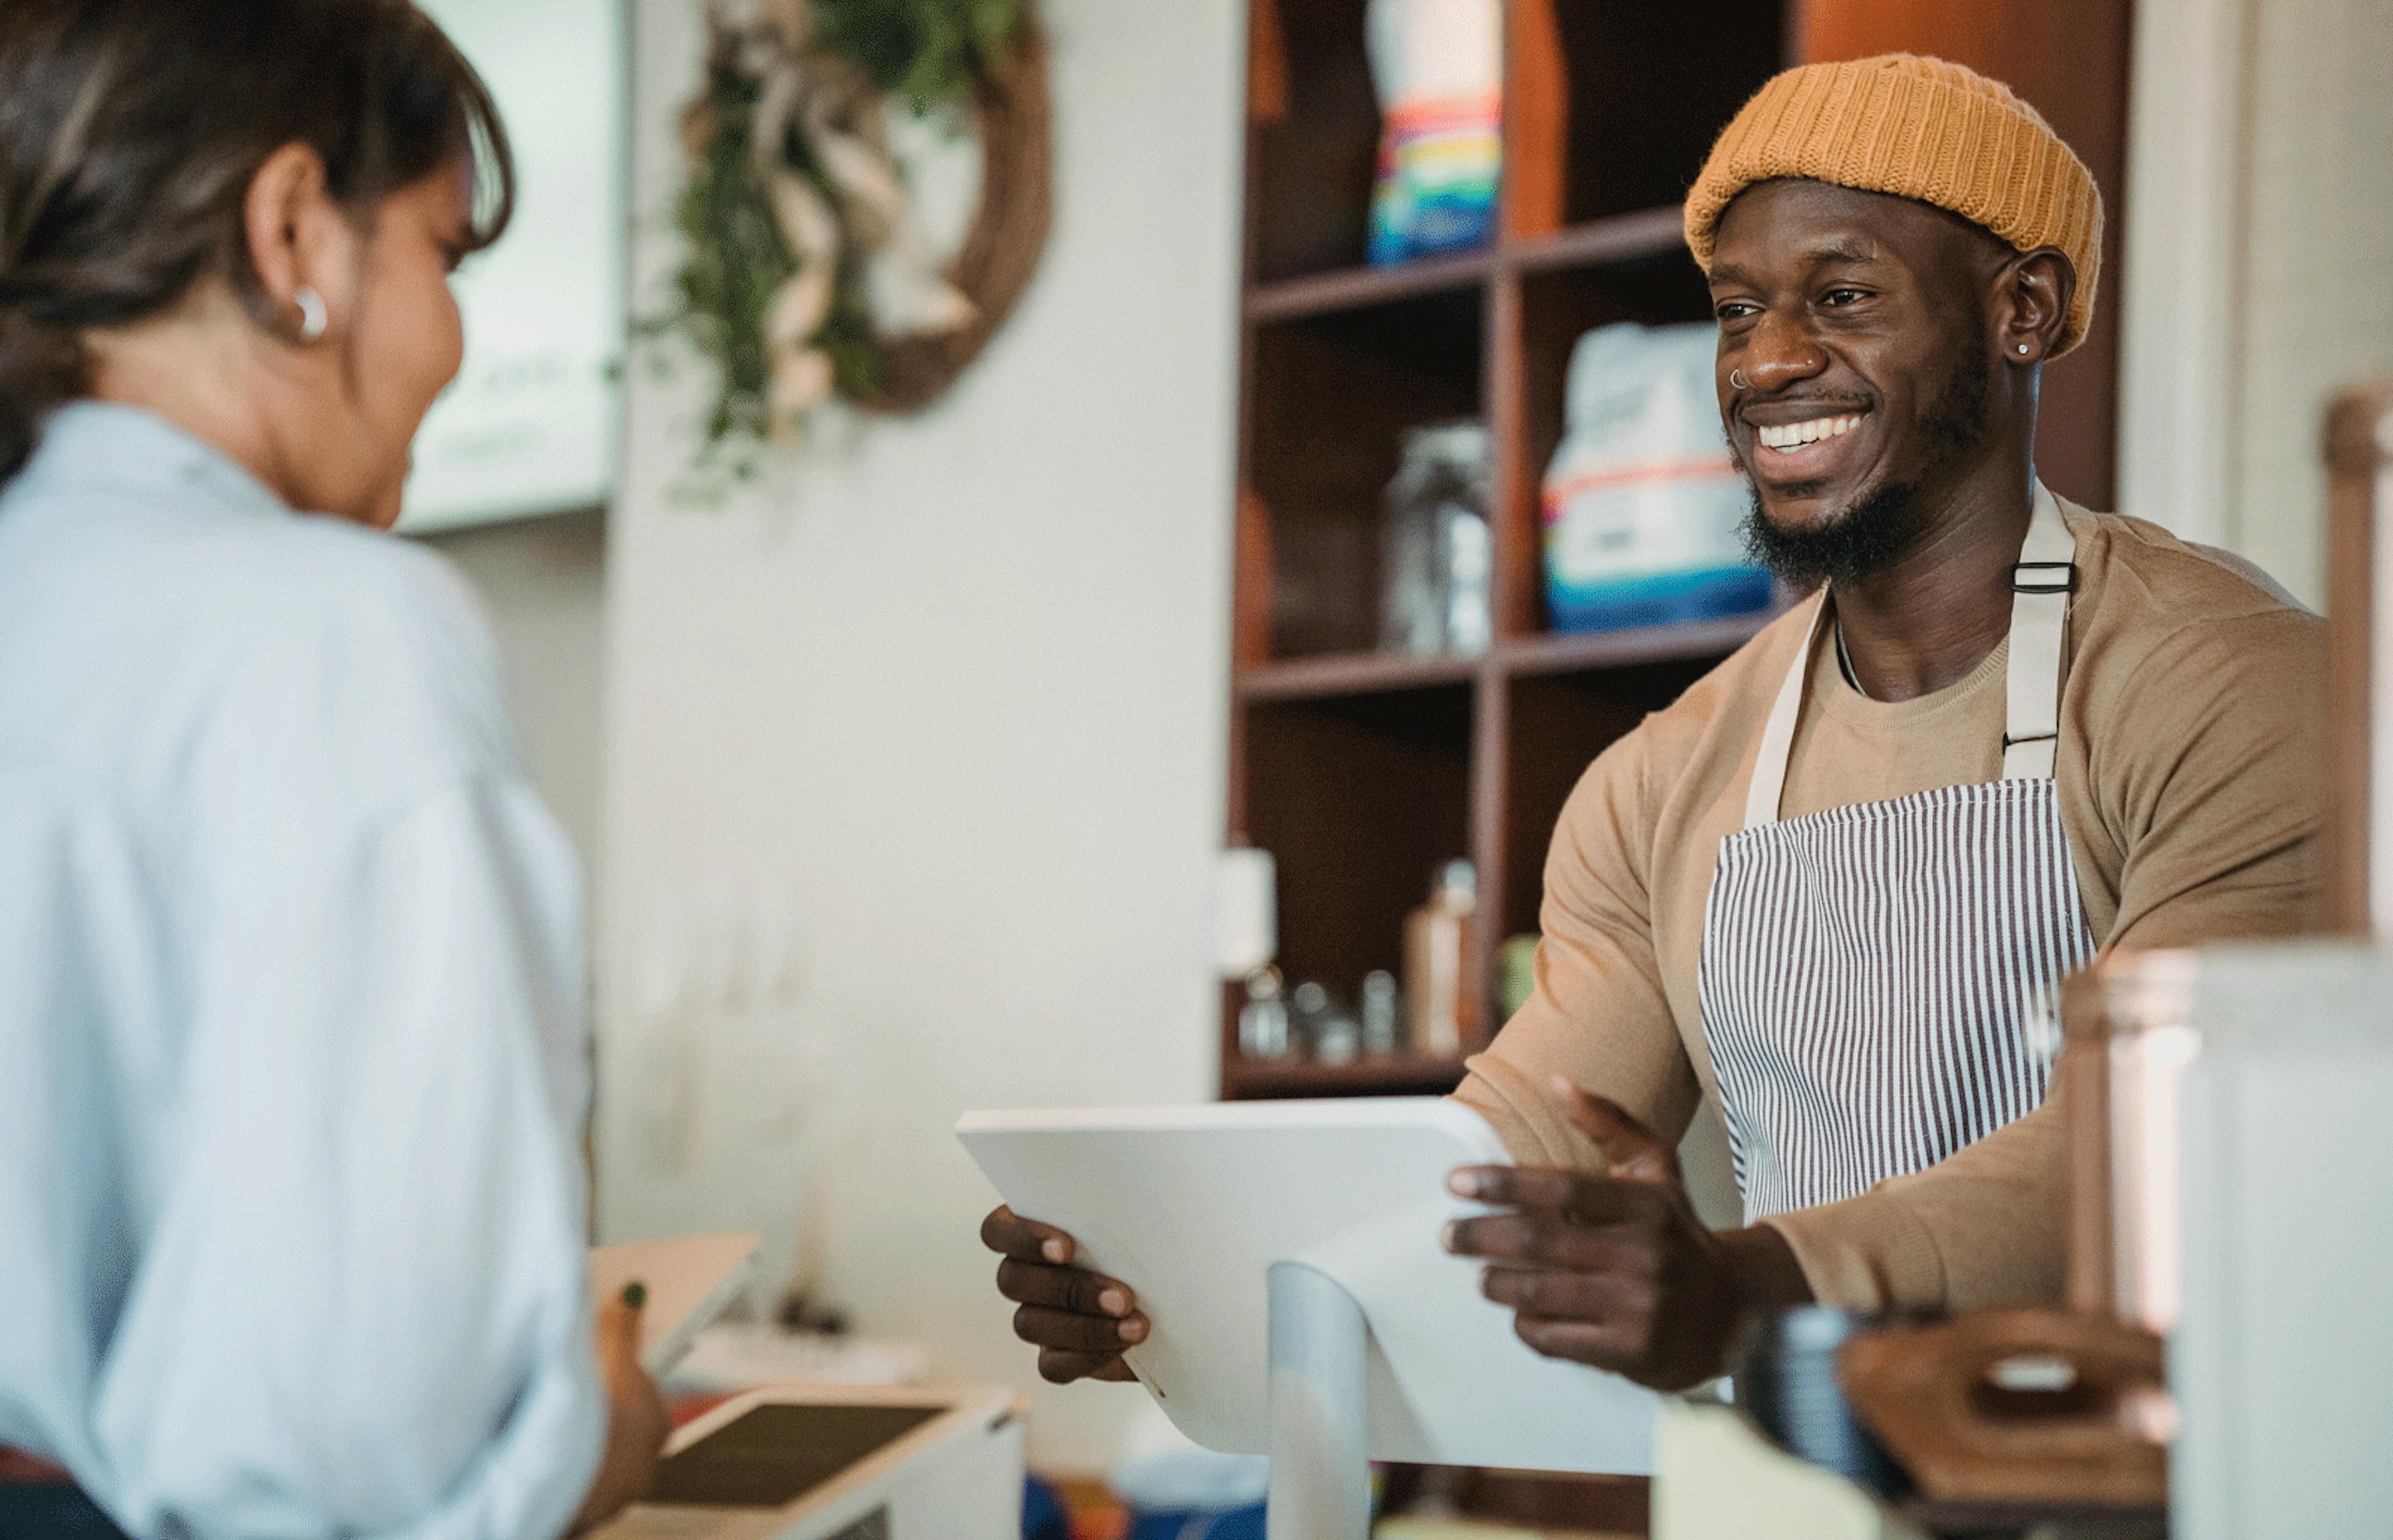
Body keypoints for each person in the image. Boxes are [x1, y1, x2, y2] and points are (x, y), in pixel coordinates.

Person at [982, 54, 2323, 1394]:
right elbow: (1512, 1148)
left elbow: (2154, 1145)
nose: (1771, 362)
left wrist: (1755, 1285)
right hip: (1801, 1494)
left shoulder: (2232, 689)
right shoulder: (1668, 774)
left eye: (1844, 295)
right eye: (1739, 313)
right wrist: (1190, 1283)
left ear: (2022, 309)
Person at [0, 3, 667, 1536]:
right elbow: (346, 1468)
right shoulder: (329, 636)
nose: (449, 339)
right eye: (444, 255)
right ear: (294, 233)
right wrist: (593, 1443)